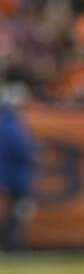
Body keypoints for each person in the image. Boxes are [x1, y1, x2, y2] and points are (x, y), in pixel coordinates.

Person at [0, 81, 36, 252]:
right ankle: (11, 245)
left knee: (16, 211)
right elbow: (20, 150)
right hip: (14, 177)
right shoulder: (11, 124)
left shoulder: (8, 122)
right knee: (18, 212)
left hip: (9, 175)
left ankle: (10, 243)